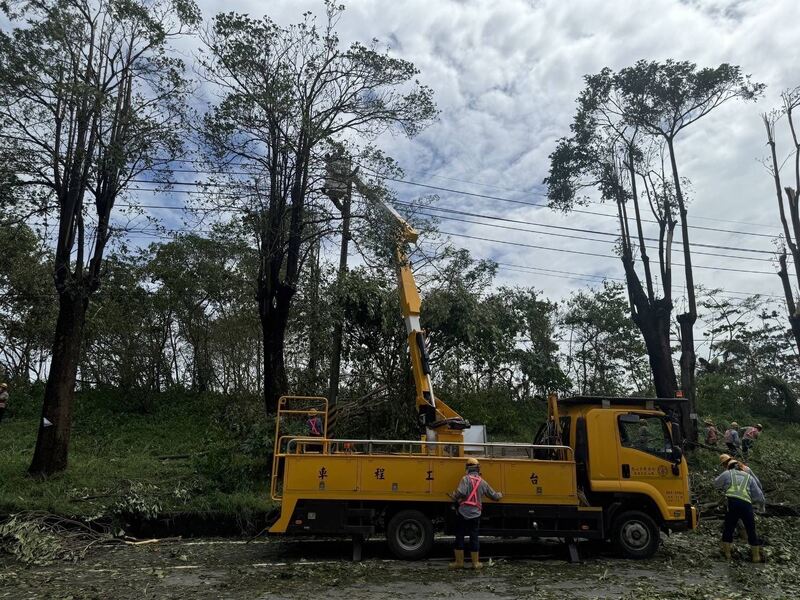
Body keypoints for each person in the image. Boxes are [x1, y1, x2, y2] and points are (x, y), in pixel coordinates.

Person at [448, 457, 502, 570]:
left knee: (460, 536)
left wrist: (454, 496)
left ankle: (459, 563)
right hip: (476, 514)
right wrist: (499, 495)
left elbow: (461, 492)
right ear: (478, 469)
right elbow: (493, 496)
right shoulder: (482, 482)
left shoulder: (465, 479)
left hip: (463, 512)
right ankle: (476, 563)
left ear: (467, 468)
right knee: (474, 537)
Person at [714, 458, 765, 562]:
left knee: (729, 528)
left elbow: (716, 483)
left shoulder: (727, 473)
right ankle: (756, 558)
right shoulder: (748, 477)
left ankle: (727, 555)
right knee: (751, 530)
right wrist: (761, 506)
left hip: (732, 503)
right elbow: (759, 495)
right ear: (742, 467)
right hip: (746, 504)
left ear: (729, 467)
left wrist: (725, 486)